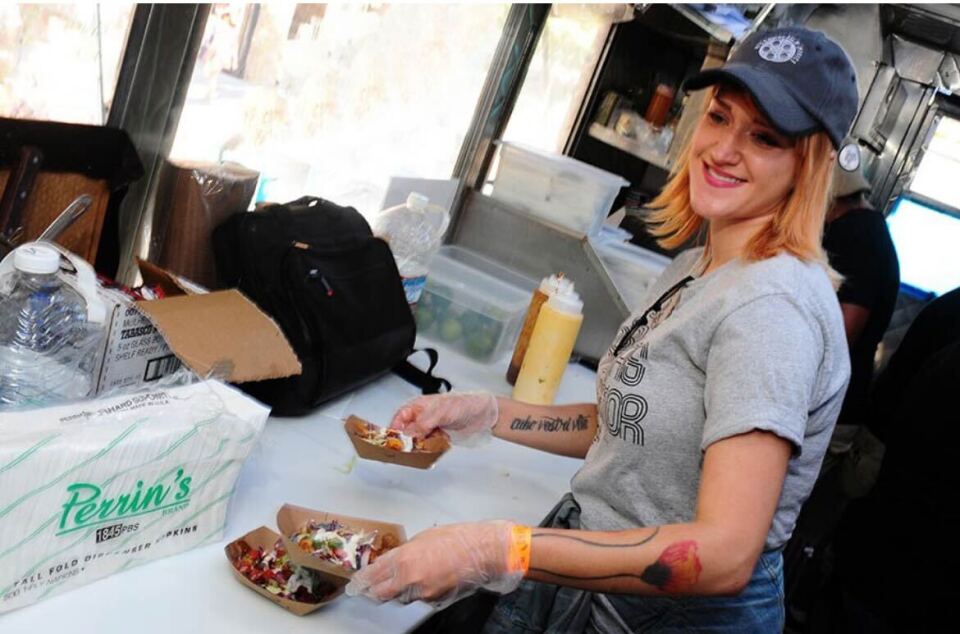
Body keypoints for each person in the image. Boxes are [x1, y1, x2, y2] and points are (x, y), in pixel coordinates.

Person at [345, 26, 857, 633]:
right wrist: (490, 414)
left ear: (810, 165)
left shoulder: (772, 308)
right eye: (719, 118)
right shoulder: (703, 265)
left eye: (765, 137)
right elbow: (634, 425)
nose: (723, 149)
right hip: (604, 583)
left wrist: (499, 548)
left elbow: (723, 554)